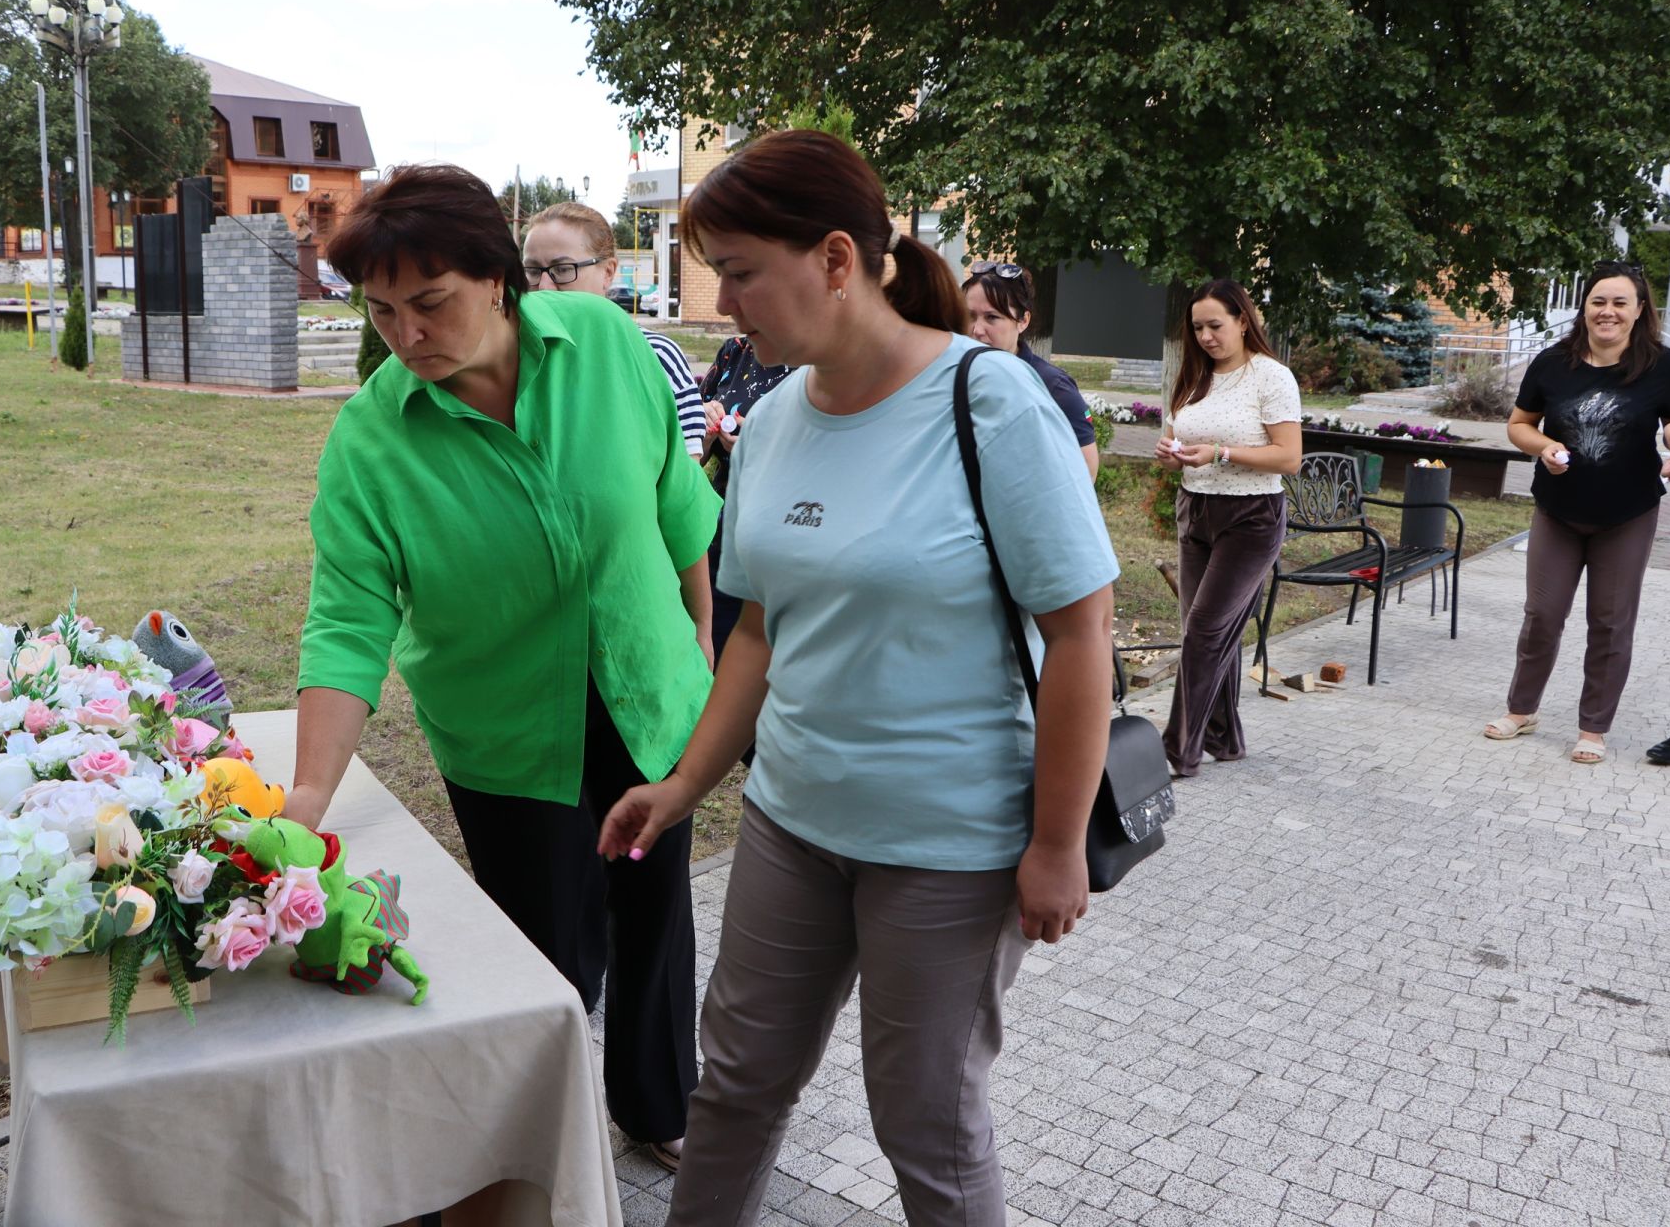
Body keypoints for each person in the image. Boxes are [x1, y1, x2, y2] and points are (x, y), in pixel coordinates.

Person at [594, 130, 1120, 1226]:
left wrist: (1058, 843)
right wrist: (686, 782)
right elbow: (756, 634)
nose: (725, 303)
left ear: (836, 259)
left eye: (740, 272)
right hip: (793, 823)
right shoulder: (777, 419)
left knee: (926, 1123)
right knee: (734, 1088)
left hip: (951, 848)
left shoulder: (993, 404)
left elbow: (1081, 634)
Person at [288, 164, 720, 1169]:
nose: (405, 334)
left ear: (498, 277)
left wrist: (701, 628)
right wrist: (311, 786)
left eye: (430, 302)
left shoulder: (610, 346)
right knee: (544, 954)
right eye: (382, 310)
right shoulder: (371, 441)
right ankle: (544, 1154)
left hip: (648, 693)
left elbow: (676, 494)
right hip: (507, 729)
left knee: (655, 915)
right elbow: (348, 620)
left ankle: (660, 1103)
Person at [1483, 262, 1670, 764]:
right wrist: (1543, 445)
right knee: (1542, 615)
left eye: (1619, 303)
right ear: (1584, 307)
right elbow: (1519, 424)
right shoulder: (1552, 362)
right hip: (1558, 511)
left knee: (1610, 623)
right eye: (1598, 301)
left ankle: (1593, 728)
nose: (1607, 312)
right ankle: (1522, 710)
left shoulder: (1663, 365)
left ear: (1638, 311)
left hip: (1627, 514)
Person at [1152, 279, 1302, 779]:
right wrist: (1171, 457)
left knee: (1204, 632)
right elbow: (1180, 442)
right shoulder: (1193, 376)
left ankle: (1178, 751)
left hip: (1251, 517)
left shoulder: (1271, 377)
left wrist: (1221, 451)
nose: (1206, 336)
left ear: (1243, 320)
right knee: (1211, 633)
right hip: (1194, 510)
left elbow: (1289, 457)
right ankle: (1223, 737)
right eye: (1197, 327)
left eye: (1215, 325)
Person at [523, 201, 708, 459]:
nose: (544, 286)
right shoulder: (514, 358)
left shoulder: (655, 355)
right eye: (532, 270)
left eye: (562, 270)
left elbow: (687, 472)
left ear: (608, 272)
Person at [697, 333, 794, 659]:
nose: (726, 303)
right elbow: (689, 453)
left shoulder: (830, 367)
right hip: (721, 543)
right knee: (716, 657)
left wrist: (763, 452)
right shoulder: (736, 351)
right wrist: (705, 432)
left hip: (786, 548)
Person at [962, 262, 1100, 477]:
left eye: (992, 317)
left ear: (1023, 321)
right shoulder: (954, 377)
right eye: (970, 316)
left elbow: (1085, 473)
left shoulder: (1054, 387)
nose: (977, 330)